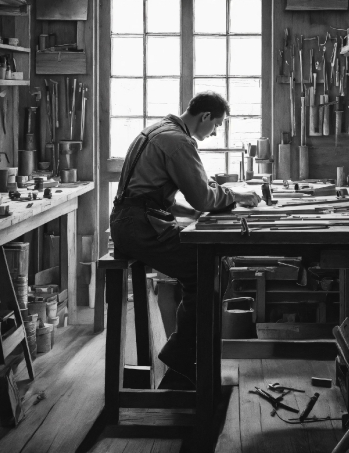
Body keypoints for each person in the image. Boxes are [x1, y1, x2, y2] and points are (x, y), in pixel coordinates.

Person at [110, 91, 260, 385]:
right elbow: (203, 196)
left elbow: (151, 195)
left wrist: (192, 213)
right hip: (139, 228)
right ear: (205, 116)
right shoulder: (179, 141)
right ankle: (182, 354)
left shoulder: (156, 130)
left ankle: (185, 351)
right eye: (216, 124)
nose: (215, 131)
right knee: (211, 267)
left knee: (209, 264)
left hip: (131, 221)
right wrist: (236, 196)